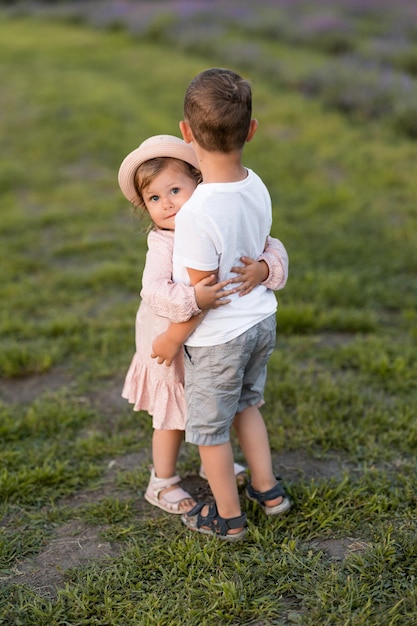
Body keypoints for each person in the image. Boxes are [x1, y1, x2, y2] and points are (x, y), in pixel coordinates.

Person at [151, 69, 291, 541]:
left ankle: (228, 519)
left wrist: (172, 337)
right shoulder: (258, 185)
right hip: (261, 322)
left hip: (219, 340)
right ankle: (268, 491)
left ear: (186, 134)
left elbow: (200, 296)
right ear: (251, 130)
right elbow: (264, 245)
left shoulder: (195, 214)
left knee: (210, 431)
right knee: (248, 405)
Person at [118, 134, 289, 516]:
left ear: (198, 181)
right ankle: (162, 481)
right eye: (155, 199)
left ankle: (212, 465)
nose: (167, 204)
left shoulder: (214, 217)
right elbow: (155, 291)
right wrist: (195, 298)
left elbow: (270, 245)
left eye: (175, 189)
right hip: (169, 343)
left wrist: (263, 269)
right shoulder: (162, 243)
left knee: (214, 406)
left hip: (208, 343)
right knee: (174, 415)